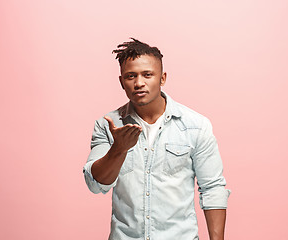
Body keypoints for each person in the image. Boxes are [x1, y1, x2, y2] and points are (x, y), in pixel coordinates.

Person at [83, 38, 231, 240]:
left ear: (162, 79)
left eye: (147, 74)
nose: (139, 83)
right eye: (130, 76)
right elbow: (96, 184)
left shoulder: (196, 126)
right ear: (121, 82)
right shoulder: (108, 125)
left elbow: (212, 188)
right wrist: (119, 149)